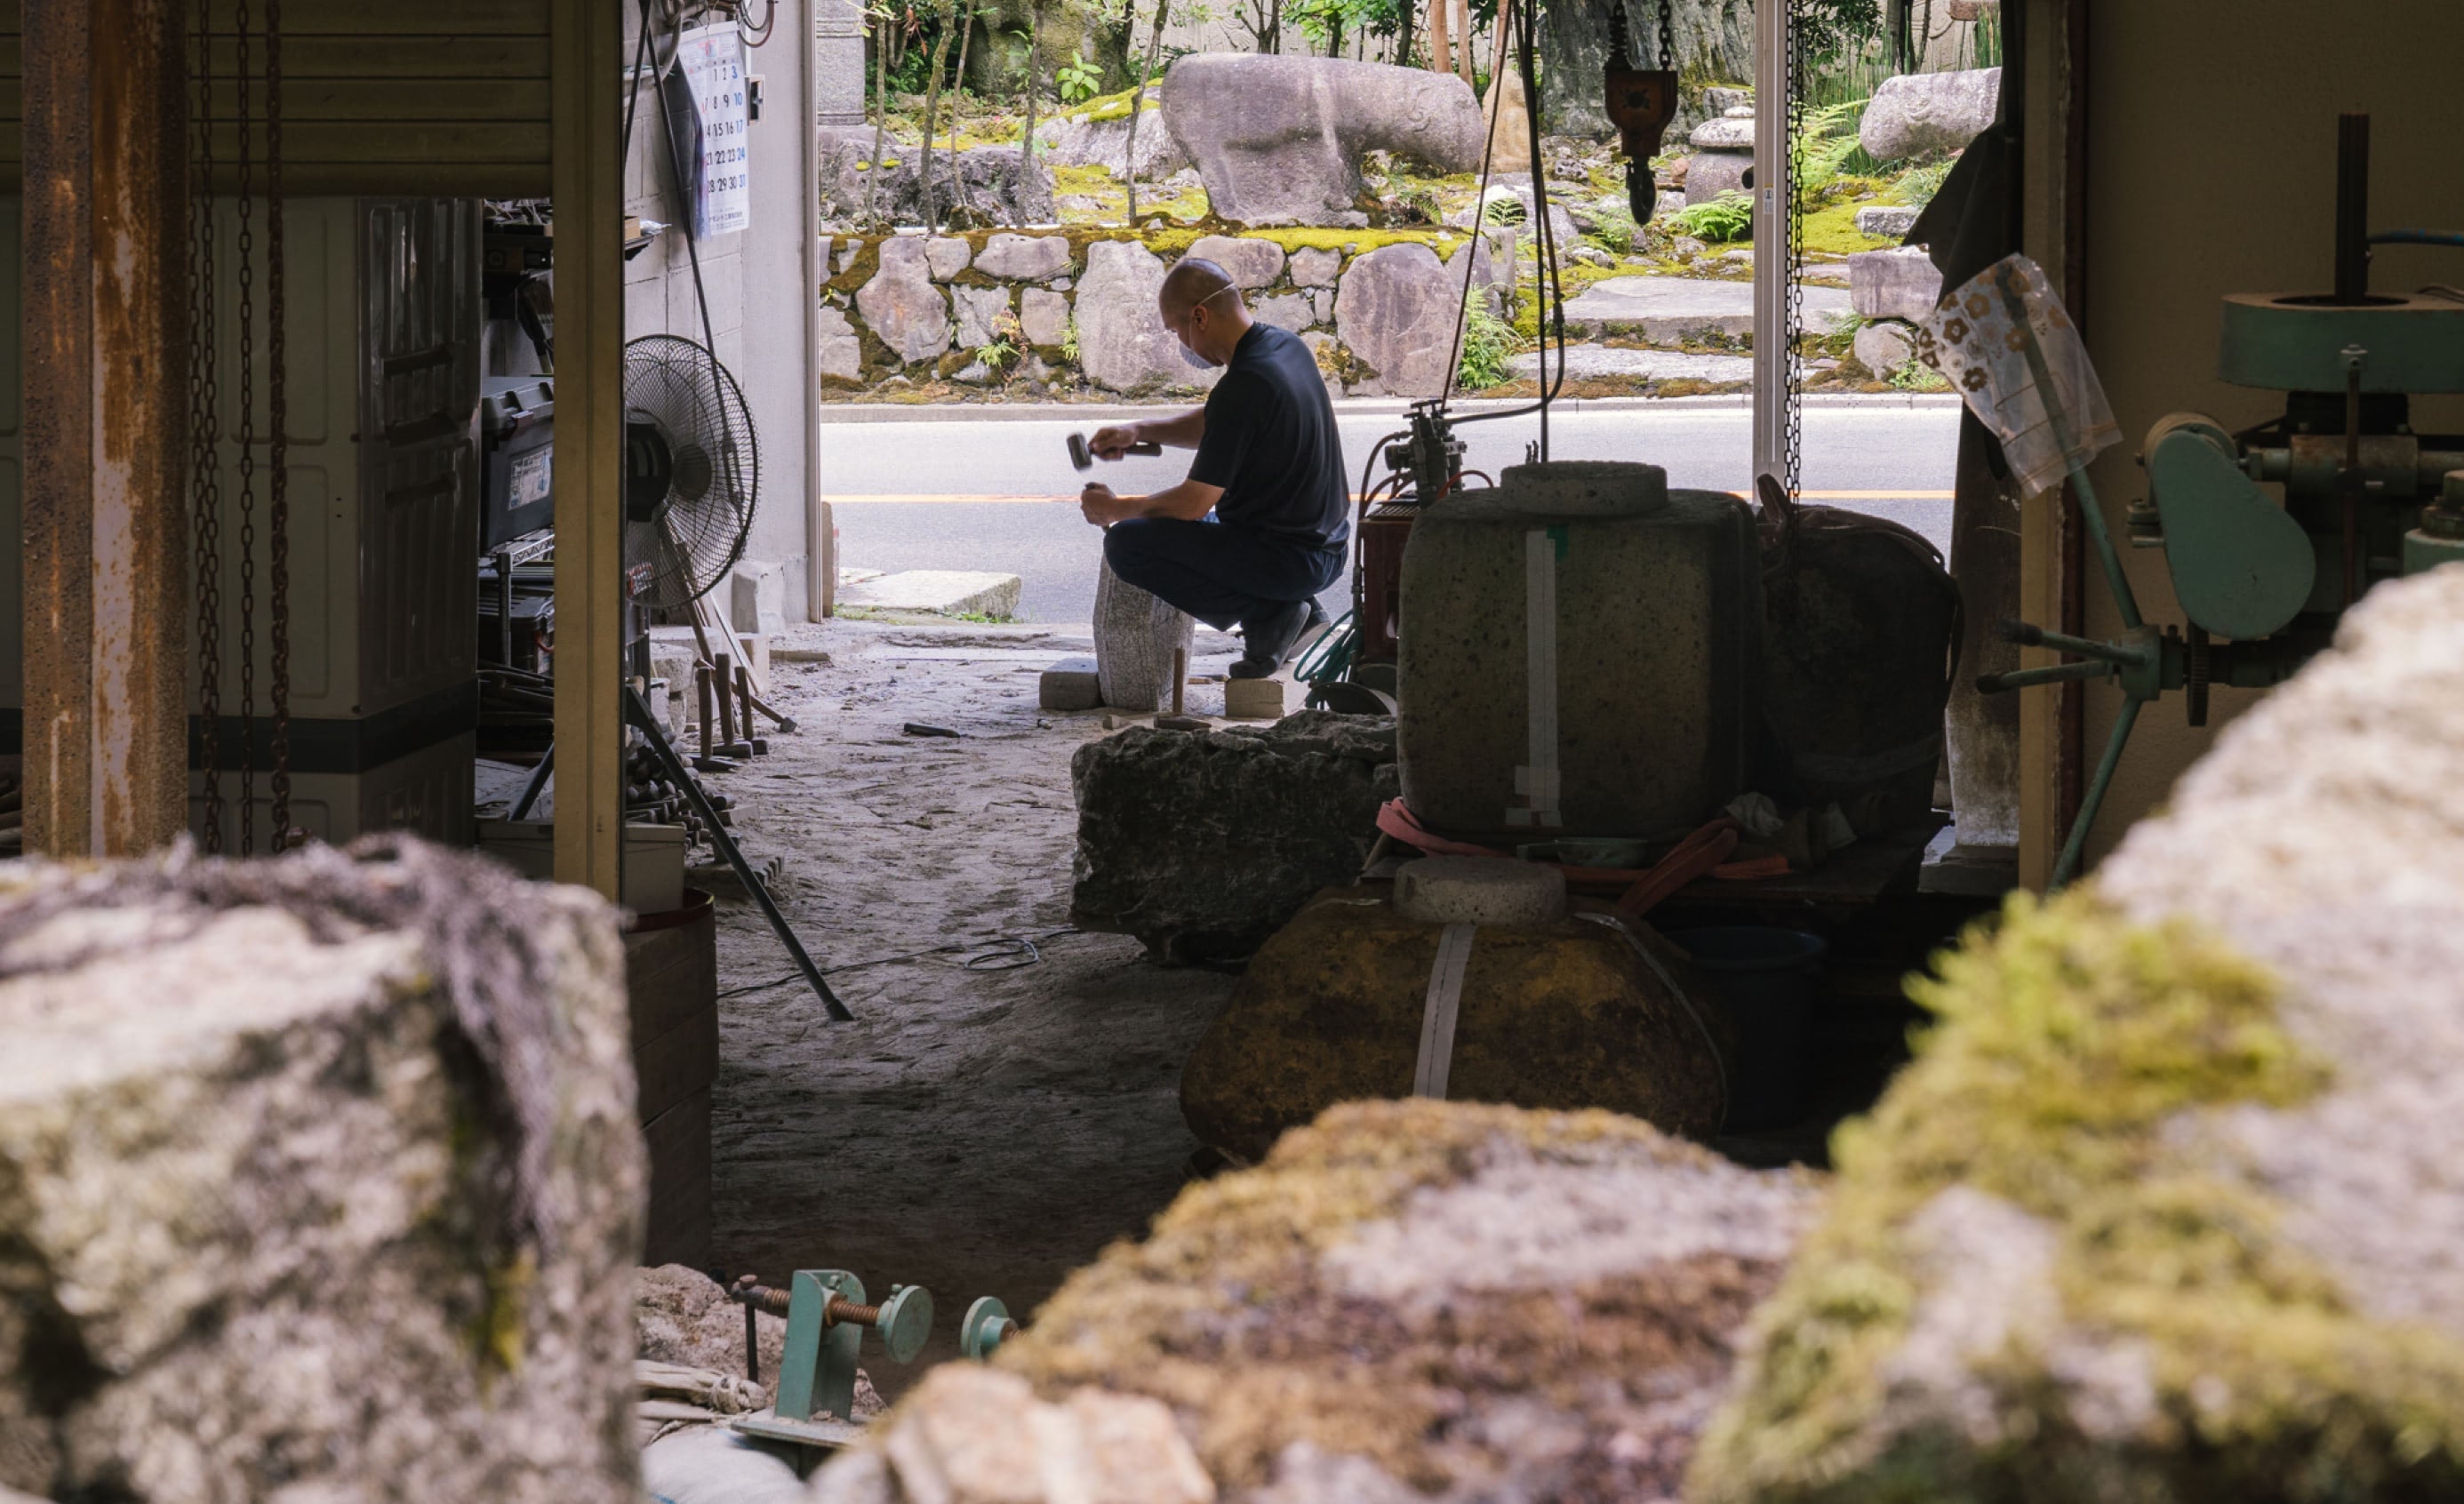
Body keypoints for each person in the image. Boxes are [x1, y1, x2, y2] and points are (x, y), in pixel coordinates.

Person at [1077, 256, 1349, 678]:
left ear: (1199, 317)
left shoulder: (1244, 385)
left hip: (1291, 561)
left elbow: (1192, 504)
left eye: (1176, 331)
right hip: (1326, 546)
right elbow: (1218, 424)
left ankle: (1270, 614)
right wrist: (1138, 431)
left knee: (1128, 545)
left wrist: (1115, 510)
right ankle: (1299, 610)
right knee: (1180, 523)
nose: (1181, 344)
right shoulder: (1284, 347)